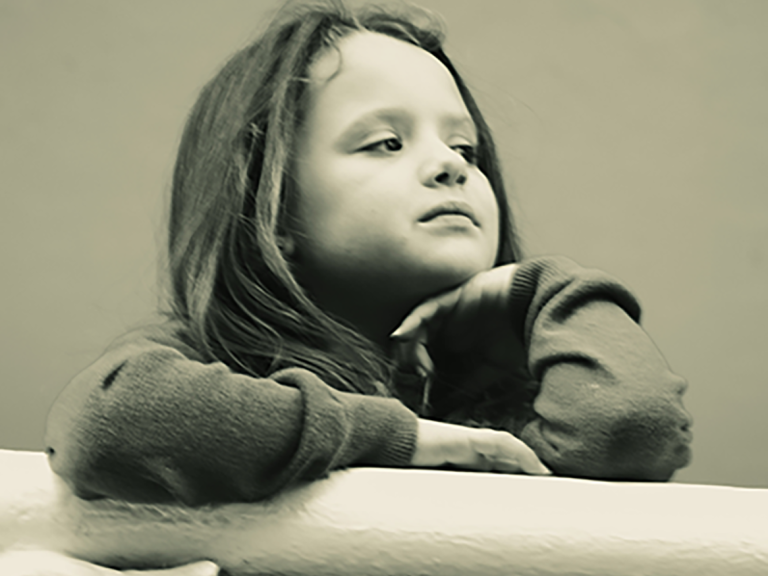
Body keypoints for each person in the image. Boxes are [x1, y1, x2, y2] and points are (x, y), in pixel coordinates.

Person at [44, 0, 693, 508]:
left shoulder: (500, 416)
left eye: (466, 149)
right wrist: (400, 440)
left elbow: (630, 428)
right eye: (386, 142)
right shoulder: (220, 365)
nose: (449, 165)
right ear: (273, 210)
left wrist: (541, 290)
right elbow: (105, 424)